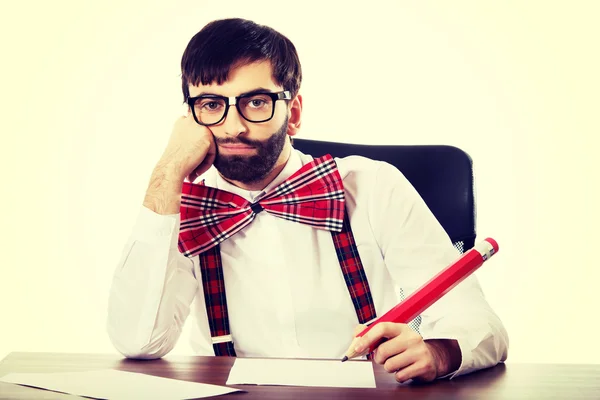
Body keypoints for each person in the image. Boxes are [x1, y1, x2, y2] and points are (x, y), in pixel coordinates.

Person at [106, 17, 508, 384]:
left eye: (257, 102)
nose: (233, 126)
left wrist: (439, 352)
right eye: (211, 104)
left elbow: (482, 324)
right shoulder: (181, 208)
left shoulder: (373, 187)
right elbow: (138, 341)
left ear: (293, 112)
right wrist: (167, 173)